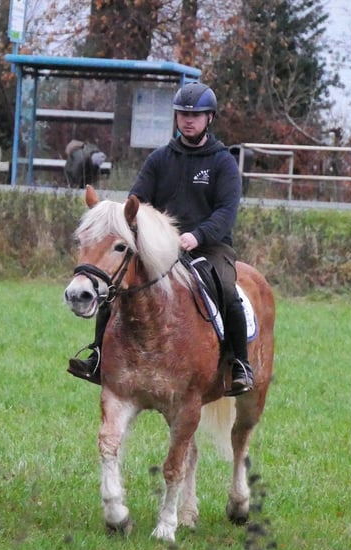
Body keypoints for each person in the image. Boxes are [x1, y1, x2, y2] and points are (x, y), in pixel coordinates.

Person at [68, 82, 254, 395]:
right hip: (159, 249)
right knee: (114, 284)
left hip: (210, 247)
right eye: (183, 114)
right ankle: (98, 355)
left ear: (209, 118)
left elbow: (226, 211)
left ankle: (239, 364)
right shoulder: (160, 159)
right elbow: (136, 202)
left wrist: (197, 235)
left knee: (227, 289)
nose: (188, 120)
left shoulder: (222, 162)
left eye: (196, 115)